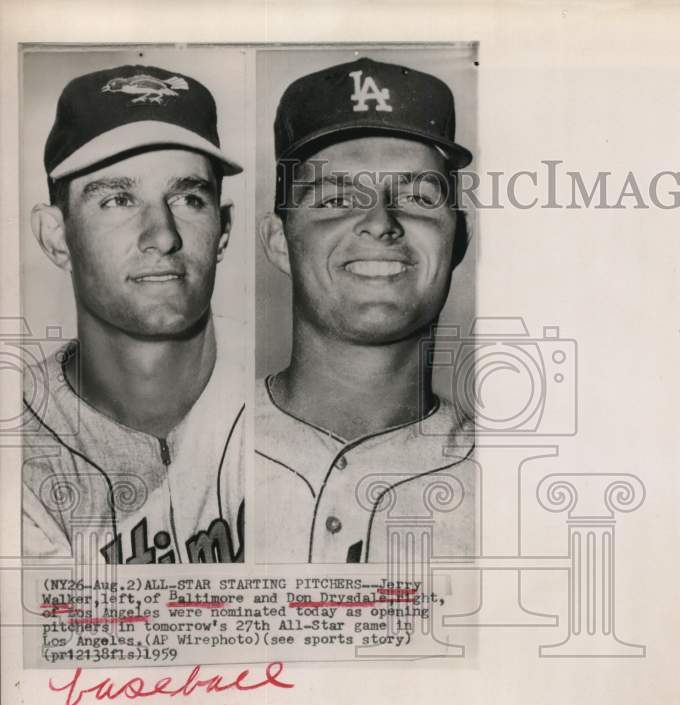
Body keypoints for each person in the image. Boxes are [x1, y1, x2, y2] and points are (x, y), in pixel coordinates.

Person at [256, 57, 477, 563]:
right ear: (277, 240)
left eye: (419, 197)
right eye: (336, 199)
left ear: (458, 236)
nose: (380, 223)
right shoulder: (195, 453)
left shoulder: (519, 481)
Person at [23, 64, 246, 563]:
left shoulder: (292, 393)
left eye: (189, 197)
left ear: (223, 230)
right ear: (57, 236)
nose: (163, 235)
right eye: (118, 199)